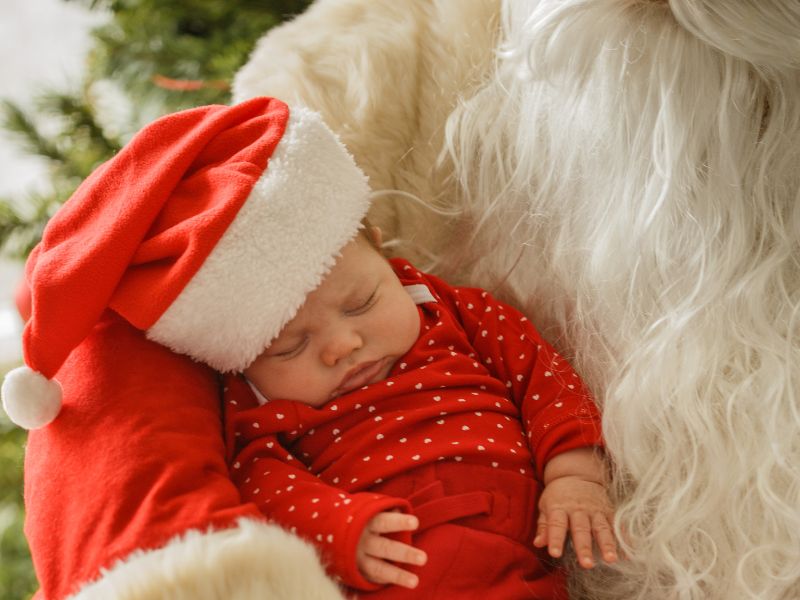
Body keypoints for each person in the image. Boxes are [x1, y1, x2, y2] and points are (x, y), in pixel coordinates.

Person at [222, 221, 617, 597]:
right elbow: (257, 476)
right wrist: (335, 529)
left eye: (361, 304)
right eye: (290, 347)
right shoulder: (256, 398)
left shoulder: (455, 312)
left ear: (382, 252)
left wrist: (576, 474)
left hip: (525, 546)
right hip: (396, 560)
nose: (342, 345)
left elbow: (543, 376)